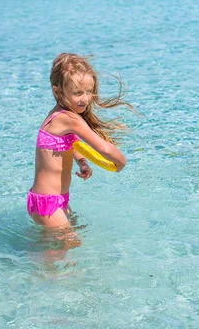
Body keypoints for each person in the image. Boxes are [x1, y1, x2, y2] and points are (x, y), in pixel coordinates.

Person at [27, 53, 135, 228]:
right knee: (69, 246)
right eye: (78, 93)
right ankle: (24, 256)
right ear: (57, 91)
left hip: (53, 198)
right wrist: (121, 162)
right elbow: (103, 148)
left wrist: (82, 162)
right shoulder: (69, 118)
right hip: (48, 201)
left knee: (68, 240)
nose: (85, 98)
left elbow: (69, 144)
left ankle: (30, 255)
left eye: (89, 92)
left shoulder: (57, 114)